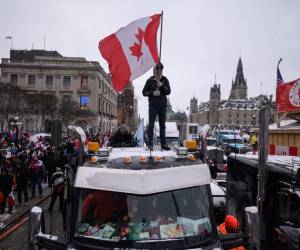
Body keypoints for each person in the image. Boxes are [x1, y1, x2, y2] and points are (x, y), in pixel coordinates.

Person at [142, 62, 171, 151]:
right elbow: (144, 92)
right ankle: (150, 145)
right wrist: (153, 93)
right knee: (151, 125)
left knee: (162, 125)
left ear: (162, 70)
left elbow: (168, 91)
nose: (158, 71)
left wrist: (161, 86)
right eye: (157, 69)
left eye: (160, 69)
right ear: (154, 70)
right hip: (153, 106)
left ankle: (163, 144)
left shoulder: (165, 80)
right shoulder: (149, 80)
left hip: (162, 106)